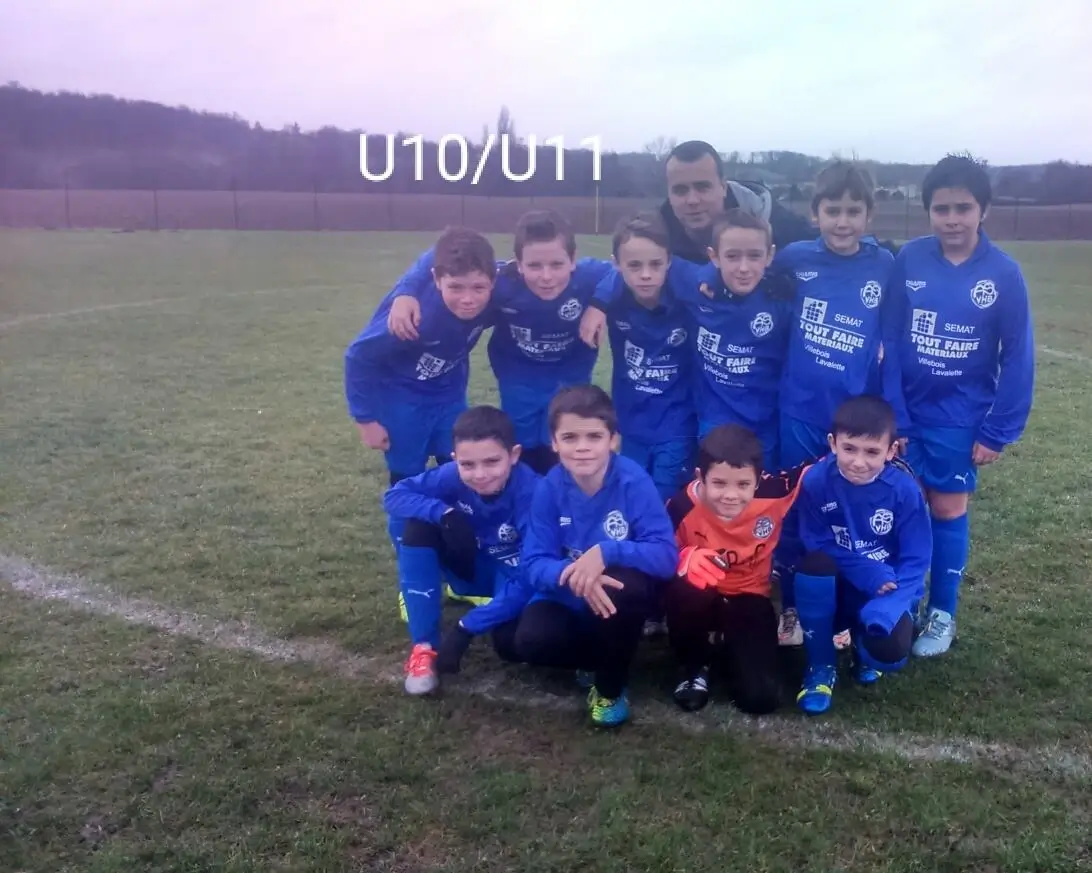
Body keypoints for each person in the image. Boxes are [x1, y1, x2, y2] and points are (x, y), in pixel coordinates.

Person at [881, 154, 1036, 657]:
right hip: (907, 413)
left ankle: (942, 612)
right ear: (928, 210)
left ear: (983, 210)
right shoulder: (911, 259)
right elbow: (891, 337)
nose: (952, 219)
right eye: (941, 209)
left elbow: (1018, 356)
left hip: (959, 416)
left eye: (963, 208)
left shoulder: (1004, 273)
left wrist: (997, 430)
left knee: (946, 507)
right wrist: (893, 413)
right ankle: (904, 601)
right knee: (903, 506)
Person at [770, 160, 897, 647]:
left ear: (869, 214)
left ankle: (843, 607)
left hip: (853, 419)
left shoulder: (883, 265)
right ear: (815, 212)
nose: (842, 222)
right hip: (799, 410)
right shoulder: (794, 259)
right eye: (832, 211)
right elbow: (751, 279)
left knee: (847, 512)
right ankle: (792, 608)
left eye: (853, 211)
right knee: (797, 508)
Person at [382, 210, 612, 474]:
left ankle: (562, 494)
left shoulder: (589, 276)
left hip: (571, 374)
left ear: (573, 260)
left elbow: (617, 272)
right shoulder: (502, 282)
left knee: (564, 439)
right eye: (534, 266)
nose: (546, 276)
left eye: (556, 265)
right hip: (519, 376)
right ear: (518, 263)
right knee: (524, 446)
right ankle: (526, 494)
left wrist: (599, 306)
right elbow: (437, 255)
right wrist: (405, 292)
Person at [508, 384, 679, 727]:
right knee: (527, 642)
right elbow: (533, 563)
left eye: (594, 436)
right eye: (570, 437)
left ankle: (610, 689)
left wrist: (607, 551)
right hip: (569, 593)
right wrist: (575, 574)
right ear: (554, 443)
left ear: (613, 440)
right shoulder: (549, 488)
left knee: (623, 588)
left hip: (619, 593)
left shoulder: (633, 481)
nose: (582, 447)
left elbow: (665, 557)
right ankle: (602, 658)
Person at [582, 210, 793, 472]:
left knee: (761, 489)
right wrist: (598, 303)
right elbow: (612, 269)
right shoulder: (693, 286)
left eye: (753, 256)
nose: (743, 267)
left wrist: (780, 281)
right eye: (732, 256)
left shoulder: (778, 300)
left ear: (769, 256)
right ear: (714, 256)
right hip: (708, 419)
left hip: (761, 420)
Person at [344, 226, 497, 559]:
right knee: (407, 483)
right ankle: (410, 561)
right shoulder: (412, 317)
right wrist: (365, 419)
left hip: (450, 398)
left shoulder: (493, 282)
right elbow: (358, 356)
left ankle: (461, 557)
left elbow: (439, 252)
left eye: (478, 288)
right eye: (455, 287)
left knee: (463, 473)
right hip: (402, 405)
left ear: (493, 281)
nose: (468, 298)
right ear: (437, 279)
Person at [381, 405, 541, 696]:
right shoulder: (451, 475)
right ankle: (423, 649)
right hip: (472, 565)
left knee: (514, 644)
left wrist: (466, 628)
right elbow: (395, 496)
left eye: (492, 462)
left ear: (514, 455)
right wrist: (445, 514)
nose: (480, 474)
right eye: (468, 465)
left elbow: (530, 575)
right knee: (417, 524)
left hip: (512, 577)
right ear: (455, 459)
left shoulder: (534, 493)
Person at [793, 396, 932, 715]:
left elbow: (916, 558)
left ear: (891, 450)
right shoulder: (816, 480)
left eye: (872, 452)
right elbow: (814, 541)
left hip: (884, 588)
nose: (858, 462)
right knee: (813, 566)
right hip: (837, 585)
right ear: (833, 443)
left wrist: (889, 606)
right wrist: (865, 570)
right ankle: (820, 666)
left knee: (889, 651)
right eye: (850, 448)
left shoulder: (904, 490)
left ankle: (863, 646)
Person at [664, 424, 810, 715]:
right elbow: (656, 552)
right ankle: (693, 666)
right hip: (700, 597)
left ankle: (733, 649)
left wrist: (883, 453)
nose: (731, 495)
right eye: (719, 483)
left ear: (758, 480)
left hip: (749, 595)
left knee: (760, 699)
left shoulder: (776, 491)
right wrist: (686, 558)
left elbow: (817, 467)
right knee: (686, 585)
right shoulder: (680, 507)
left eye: (743, 485)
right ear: (700, 477)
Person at [593, 211, 696, 501]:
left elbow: (715, 275)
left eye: (655, 264)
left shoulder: (686, 294)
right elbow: (583, 272)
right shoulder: (614, 298)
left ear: (669, 262)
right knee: (629, 495)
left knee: (664, 500)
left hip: (677, 422)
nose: (646, 274)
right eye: (635, 265)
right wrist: (597, 304)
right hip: (631, 422)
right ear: (616, 264)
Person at [660, 140, 816, 262]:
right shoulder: (656, 238)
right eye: (680, 190)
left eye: (703, 188)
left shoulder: (782, 229)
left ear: (723, 187)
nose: (692, 200)